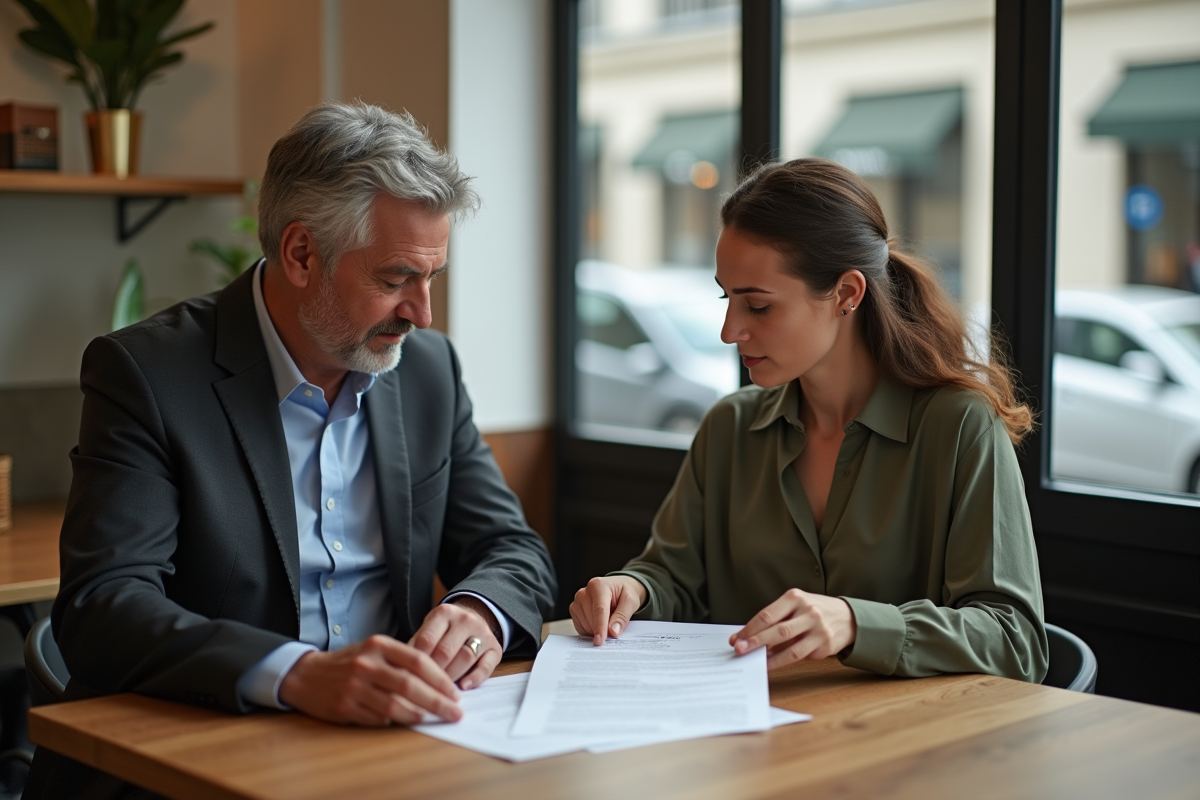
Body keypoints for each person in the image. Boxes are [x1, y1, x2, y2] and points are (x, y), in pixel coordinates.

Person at [26, 102, 556, 799]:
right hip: (197, 758)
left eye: (432, 279)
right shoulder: (147, 374)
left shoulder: (427, 370)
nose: (423, 314)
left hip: (386, 757)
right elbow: (105, 606)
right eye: (396, 279)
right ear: (303, 254)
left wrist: (480, 611)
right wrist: (297, 673)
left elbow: (513, 551)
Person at [570, 159, 1047, 683]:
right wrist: (633, 590)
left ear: (847, 294)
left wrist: (855, 623)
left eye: (759, 306)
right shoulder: (728, 428)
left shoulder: (958, 427)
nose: (730, 331)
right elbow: (673, 576)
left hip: (905, 746)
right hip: (751, 746)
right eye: (728, 299)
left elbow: (1014, 639)